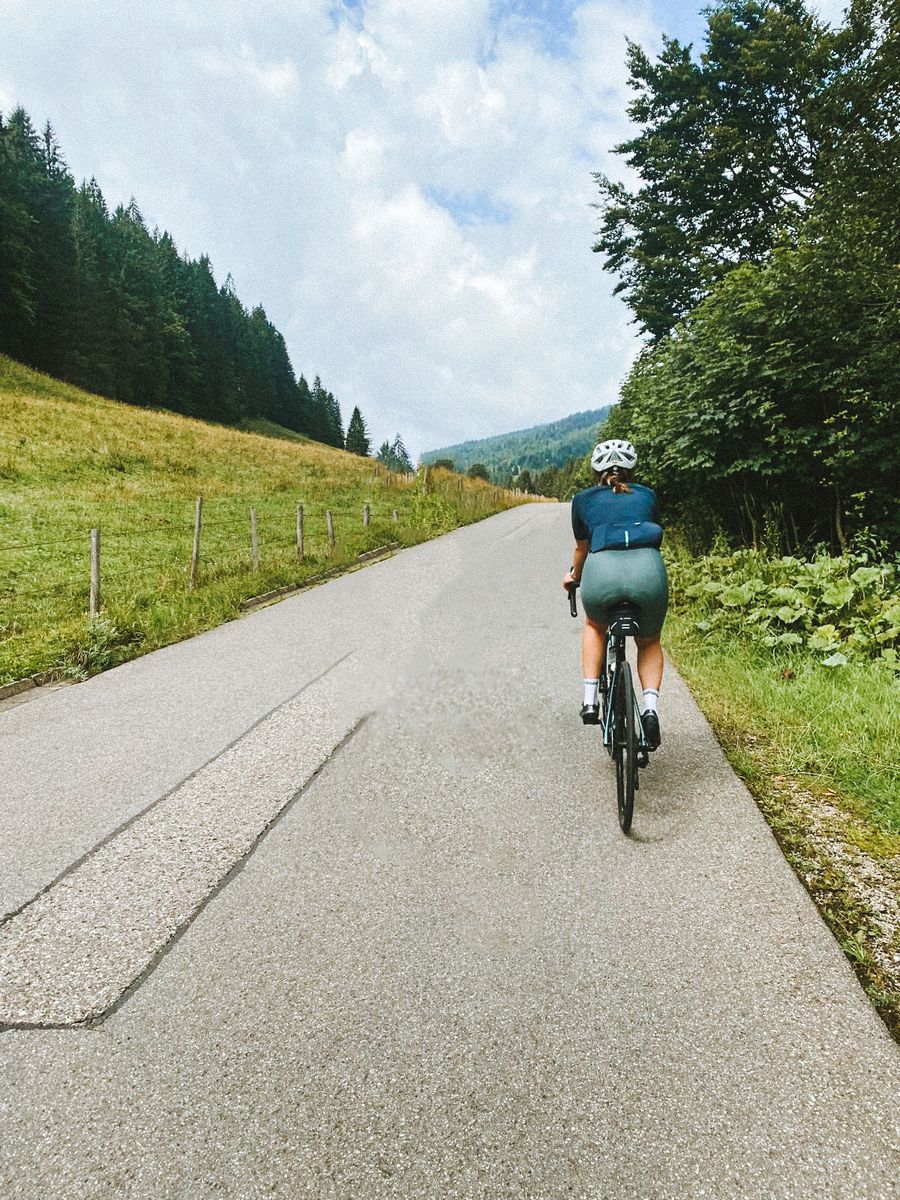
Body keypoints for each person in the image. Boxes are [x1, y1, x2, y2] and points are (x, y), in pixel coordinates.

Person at [562, 439, 669, 749]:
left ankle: (590, 700)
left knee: (595, 626)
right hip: (648, 573)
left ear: (595, 471)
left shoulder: (582, 500)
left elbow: (582, 549)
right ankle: (650, 709)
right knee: (648, 641)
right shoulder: (647, 495)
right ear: (631, 470)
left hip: (602, 574)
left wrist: (573, 576)